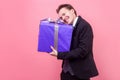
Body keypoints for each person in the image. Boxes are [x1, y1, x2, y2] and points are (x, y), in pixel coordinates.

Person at [49, 4, 99, 80]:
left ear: (72, 11)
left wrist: (59, 54)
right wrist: (53, 26)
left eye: (64, 14)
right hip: (66, 73)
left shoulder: (84, 26)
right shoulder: (66, 27)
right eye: (61, 17)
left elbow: (83, 50)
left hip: (80, 74)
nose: (63, 18)